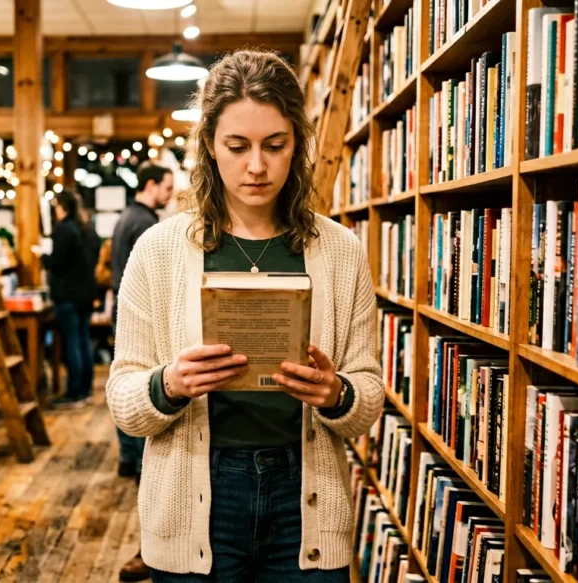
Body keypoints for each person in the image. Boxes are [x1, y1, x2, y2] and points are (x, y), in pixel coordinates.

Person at [107, 50, 382, 581]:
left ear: (297, 144)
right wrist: (169, 384)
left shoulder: (341, 251)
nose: (256, 166)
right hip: (194, 497)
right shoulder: (157, 250)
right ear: (210, 145)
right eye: (237, 146)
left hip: (307, 499)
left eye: (274, 146)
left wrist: (337, 393)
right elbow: (123, 399)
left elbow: (367, 398)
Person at [109, 161, 175, 582]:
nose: (171, 193)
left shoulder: (125, 219)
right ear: (150, 186)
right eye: (167, 187)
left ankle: (128, 458)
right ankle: (133, 461)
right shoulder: (149, 230)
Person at [44, 191, 99, 407]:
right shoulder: (87, 229)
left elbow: (56, 261)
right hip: (86, 293)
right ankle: (85, 389)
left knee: (73, 342)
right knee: (84, 340)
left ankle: (75, 391)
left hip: (68, 294)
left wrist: (41, 257)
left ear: (62, 207)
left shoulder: (64, 229)